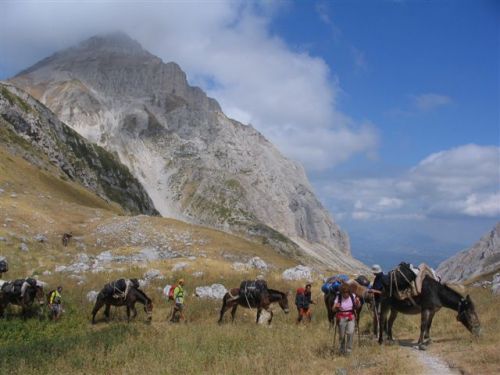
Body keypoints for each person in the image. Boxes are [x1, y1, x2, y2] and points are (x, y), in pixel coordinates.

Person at [333, 283, 360, 355]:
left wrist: (358, 302)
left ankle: (348, 351)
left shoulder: (352, 296)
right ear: (341, 292)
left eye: (347, 292)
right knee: (341, 335)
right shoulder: (338, 297)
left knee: (350, 333)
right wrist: (336, 306)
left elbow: (357, 306)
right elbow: (333, 309)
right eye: (344, 293)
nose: (345, 294)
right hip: (341, 317)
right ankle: (342, 350)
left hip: (351, 317)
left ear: (349, 292)